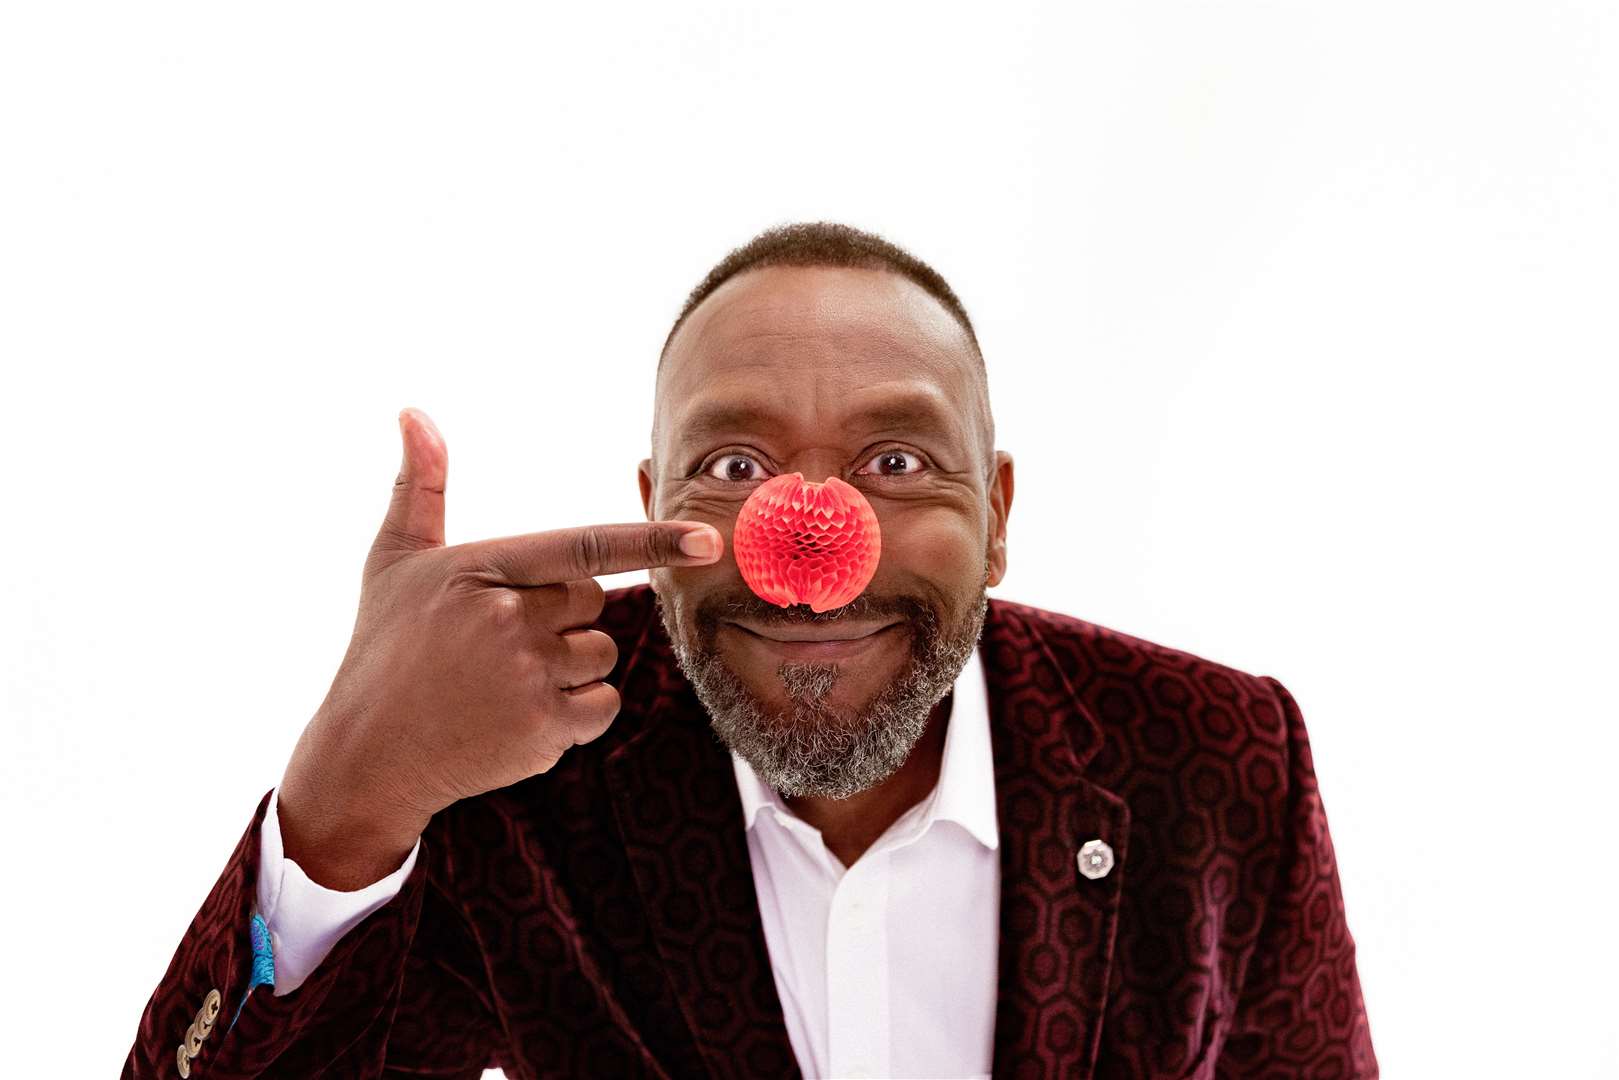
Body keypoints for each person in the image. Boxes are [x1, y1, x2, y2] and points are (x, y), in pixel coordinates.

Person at [124, 222, 1378, 1079]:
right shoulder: (520, 765)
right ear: (650, 495)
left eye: (896, 462)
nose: (808, 541)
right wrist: (351, 787)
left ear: (996, 516)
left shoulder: (1218, 766)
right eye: (733, 469)